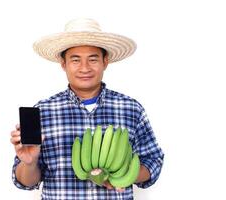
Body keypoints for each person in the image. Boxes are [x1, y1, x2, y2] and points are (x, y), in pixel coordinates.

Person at [10, 18, 164, 199]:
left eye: (93, 59)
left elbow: (153, 160)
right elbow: (25, 182)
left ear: (105, 61)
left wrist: (124, 174)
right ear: (63, 63)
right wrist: (29, 163)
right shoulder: (42, 111)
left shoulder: (131, 109)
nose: (85, 68)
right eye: (75, 60)